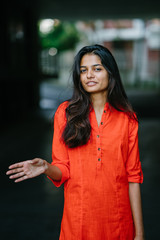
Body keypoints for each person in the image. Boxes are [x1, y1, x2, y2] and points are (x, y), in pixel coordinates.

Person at [6, 44, 145, 240]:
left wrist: (139, 234)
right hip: (78, 223)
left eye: (97, 69)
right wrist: (46, 167)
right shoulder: (66, 114)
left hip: (119, 224)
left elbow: (133, 178)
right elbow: (63, 168)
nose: (89, 75)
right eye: (83, 70)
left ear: (110, 72)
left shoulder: (127, 119)